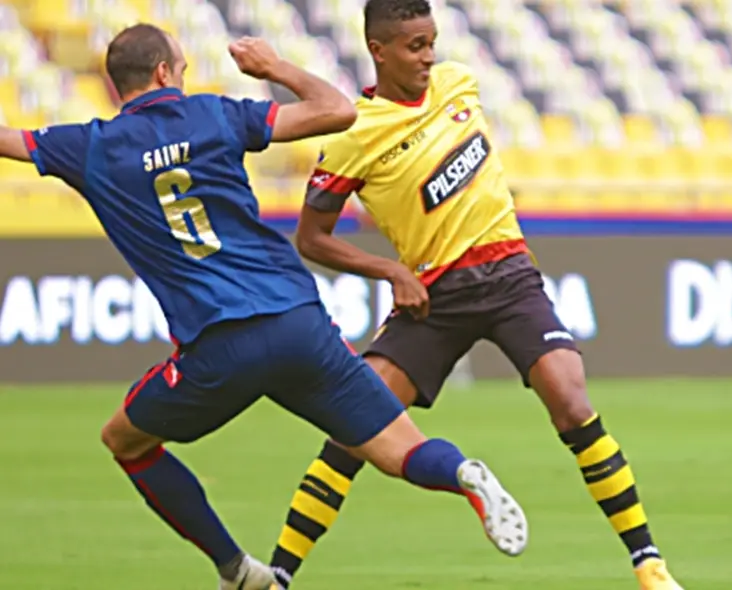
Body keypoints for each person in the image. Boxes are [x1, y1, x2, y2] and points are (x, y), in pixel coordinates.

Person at [0, 23, 528, 590]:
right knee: (401, 448)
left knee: (125, 440)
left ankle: (239, 572)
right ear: (162, 74)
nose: (182, 78)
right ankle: (462, 473)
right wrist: (275, 68)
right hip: (299, 321)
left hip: (219, 342)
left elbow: (9, 140)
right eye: (180, 69)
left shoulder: (89, 146)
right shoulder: (217, 115)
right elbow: (336, 111)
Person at [268, 1, 685, 589]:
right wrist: (391, 272)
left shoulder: (460, 82)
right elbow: (311, 237)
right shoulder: (351, 136)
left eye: (432, 41)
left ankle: (650, 565)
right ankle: (280, 575)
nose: (429, 55)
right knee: (354, 426)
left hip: (509, 272)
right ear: (379, 50)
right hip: (434, 295)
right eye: (415, 46)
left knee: (569, 397)